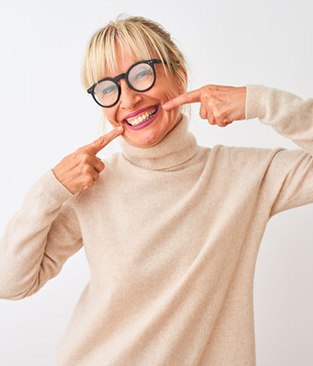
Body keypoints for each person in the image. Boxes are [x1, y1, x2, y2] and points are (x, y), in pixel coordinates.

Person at [0, 15, 312, 366]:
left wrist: (259, 101)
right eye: (107, 88)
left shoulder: (245, 176)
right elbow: (11, 283)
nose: (129, 99)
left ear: (179, 76)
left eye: (141, 73)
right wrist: (51, 189)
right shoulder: (92, 186)